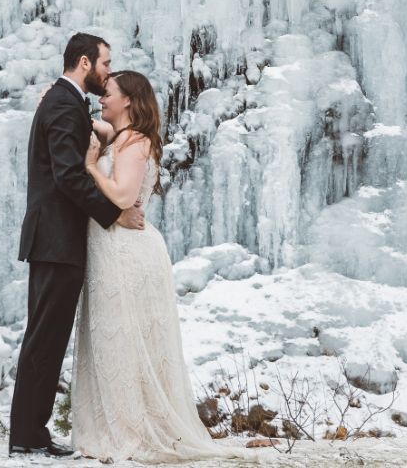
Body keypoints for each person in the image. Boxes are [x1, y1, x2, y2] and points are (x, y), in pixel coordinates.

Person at [70, 69, 267, 462]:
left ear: (128, 100)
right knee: (112, 339)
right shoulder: (121, 137)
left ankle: (129, 432)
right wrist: (58, 102)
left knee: (124, 340)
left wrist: (92, 167)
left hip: (126, 252)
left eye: (107, 93)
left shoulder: (136, 142)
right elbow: (89, 124)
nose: (101, 99)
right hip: (112, 249)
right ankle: (114, 428)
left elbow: (124, 196)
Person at [9, 33, 145, 457]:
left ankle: (29, 432)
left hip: (53, 238)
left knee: (45, 337)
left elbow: (84, 146)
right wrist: (114, 214)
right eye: (106, 63)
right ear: (85, 63)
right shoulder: (65, 104)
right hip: (56, 239)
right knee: (45, 339)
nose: (108, 71)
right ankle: (28, 436)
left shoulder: (65, 103)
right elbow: (69, 177)